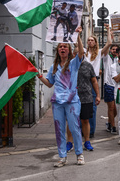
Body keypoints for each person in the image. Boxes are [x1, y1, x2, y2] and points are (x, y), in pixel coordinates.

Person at [37, 26, 85, 167]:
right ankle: (62, 156)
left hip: (72, 101)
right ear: (58, 50)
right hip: (58, 102)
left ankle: (79, 154)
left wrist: (78, 37)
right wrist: (38, 75)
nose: (63, 48)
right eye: (60, 47)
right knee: (59, 129)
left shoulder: (74, 63)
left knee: (75, 128)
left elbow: (81, 52)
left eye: (65, 46)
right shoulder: (54, 67)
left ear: (69, 50)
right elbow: (49, 84)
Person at [66, 44, 101, 152]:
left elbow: (94, 81)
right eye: (77, 53)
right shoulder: (69, 66)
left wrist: (98, 95)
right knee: (71, 121)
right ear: (74, 54)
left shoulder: (88, 66)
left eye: (81, 53)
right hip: (72, 97)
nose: (79, 55)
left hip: (86, 97)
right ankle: (69, 143)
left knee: (85, 120)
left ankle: (87, 141)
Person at [84, 24, 112, 138]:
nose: (90, 42)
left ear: (95, 42)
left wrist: (108, 30)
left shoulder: (99, 52)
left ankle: (91, 131)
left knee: (93, 107)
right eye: (89, 40)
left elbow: (109, 43)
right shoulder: (84, 52)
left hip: (93, 80)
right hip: (83, 80)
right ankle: (84, 129)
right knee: (82, 106)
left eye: (92, 40)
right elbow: (76, 45)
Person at [103, 44, 119, 134]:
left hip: (117, 85)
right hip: (108, 84)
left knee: (116, 108)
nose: (114, 51)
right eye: (113, 49)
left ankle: (109, 122)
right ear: (110, 50)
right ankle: (113, 126)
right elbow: (106, 48)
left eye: (116, 49)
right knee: (111, 107)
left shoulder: (119, 59)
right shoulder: (106, 58)